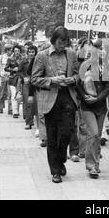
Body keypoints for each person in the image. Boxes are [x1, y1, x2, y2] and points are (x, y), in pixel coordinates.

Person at [31, 26, 79, 184]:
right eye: (60, 42)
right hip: (50, 100)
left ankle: (60, 160)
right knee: (52, 137)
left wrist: (72, 79)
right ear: (54, 40)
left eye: (65, 42)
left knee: (66, 134)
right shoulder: (42, 56)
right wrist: (52, 80)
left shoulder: (71, 54)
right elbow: (34, 79)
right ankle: (55, 171)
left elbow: (78, 74)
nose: (62, 45)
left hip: (68, 98)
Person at [77, 39, 109, 179]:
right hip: (87, 106)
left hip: (100, 106)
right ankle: (91, 165)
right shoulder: (84, 66)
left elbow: (108, 87)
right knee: (94, 133)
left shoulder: (105, 67)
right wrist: (85, 97)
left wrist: (98, 98)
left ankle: (96, 164)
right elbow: (77, 85)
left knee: (97, 136)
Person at [21, 45, 38, 129]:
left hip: (36, 84)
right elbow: (19, 72)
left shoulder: (38, 61)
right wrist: (23, 78)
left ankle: (35, 121)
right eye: (30, 52)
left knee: (35, 103)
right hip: (26, 85)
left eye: (33, 52)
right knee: (28, 103)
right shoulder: (24, 62)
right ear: (27, 53)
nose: (31, 54)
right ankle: (28, 122)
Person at [5, 45, 23, 118]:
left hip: (20, 78)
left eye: (18, 51)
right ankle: (15, 112)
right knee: (13, 95)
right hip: (12, 79)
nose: (17, 52)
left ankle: (18, 111)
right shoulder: (10, 59)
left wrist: (19, 69)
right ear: (13, 51)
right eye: (15, 51)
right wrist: (13, 70)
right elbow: (6, 68)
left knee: (19, 95)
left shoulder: (23, 59)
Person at [0, 44, 13, 114]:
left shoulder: (13, 57)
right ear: (7, 51)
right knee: (2, 93)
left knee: (10, 94)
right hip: (3, 77)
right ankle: (1, 107)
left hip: (11, 77)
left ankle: (10, 109)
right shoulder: (1, 57)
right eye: (10, 50)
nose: (11, 52)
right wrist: (1, 74)